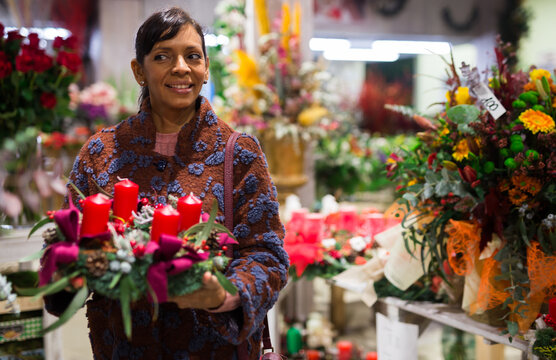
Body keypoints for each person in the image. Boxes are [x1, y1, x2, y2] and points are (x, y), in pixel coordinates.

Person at [45, 7, 289, 360]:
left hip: (215, 350)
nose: (181, 68)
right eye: (163, 56)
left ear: (206, 69)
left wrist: (224, 294)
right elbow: (68, 244)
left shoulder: (239, 154)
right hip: (122, 348)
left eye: (193, 56)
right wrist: (71, 268)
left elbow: (267, 254)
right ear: (139, 70)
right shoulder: (101, 152)